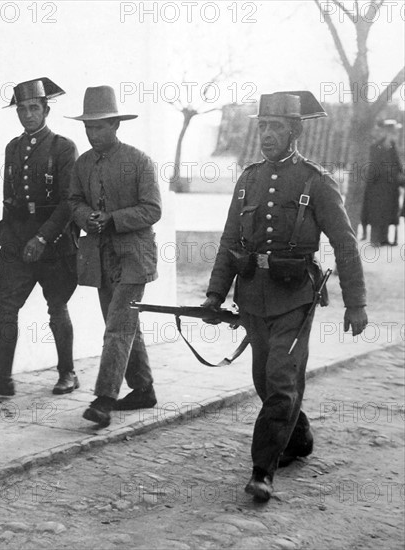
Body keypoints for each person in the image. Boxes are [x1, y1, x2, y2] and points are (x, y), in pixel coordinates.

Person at [202, 91, 368, 501]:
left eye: (276, 126)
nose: (267, 134)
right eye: (262, 126)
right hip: (253, 297)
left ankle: (263, 470)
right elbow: (229, 240)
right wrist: (214, 295)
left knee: (279, 381)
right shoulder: (249, 179)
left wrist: (357, 302)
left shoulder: (316, 181)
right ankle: (299, 437)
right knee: (265, 381)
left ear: (295, 131)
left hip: (296, 298)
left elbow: (345, 244)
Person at [0, 78, 79, 397]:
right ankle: (2, 378)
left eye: (34, 108)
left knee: (57, 307)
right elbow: (8, 199)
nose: (28, 114)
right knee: (6, 308)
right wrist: (8, 242)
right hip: (17, 244)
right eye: (22, 109)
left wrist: (42, 239)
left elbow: (69, 201)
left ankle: (67, 373)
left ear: (46, 110)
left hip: (54, 245)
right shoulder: (13, 148)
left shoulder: (63, 147)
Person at [67, 85, 162, 427]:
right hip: (100, 259)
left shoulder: (139, 161)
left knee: (117, 327)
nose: (93, 134)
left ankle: (104, 399)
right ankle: (144, 389)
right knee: (122, 324)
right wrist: (85, 216)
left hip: (134, 258)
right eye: (88, 127)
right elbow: (74, 201)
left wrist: (114, 219)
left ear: (116, 125)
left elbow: (153, 210)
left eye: (100, 127)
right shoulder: (82, 164)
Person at [361, 119, 403, 246]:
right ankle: (375, 239)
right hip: (377, 187)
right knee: (377, 213)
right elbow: (374, 168)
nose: (395, 134)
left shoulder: (392, 146)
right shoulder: (376, 147)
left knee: (388, 213)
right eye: (393, 131)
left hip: (390, 188)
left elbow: (397, 165)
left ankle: (384, 239)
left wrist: (400, 176)